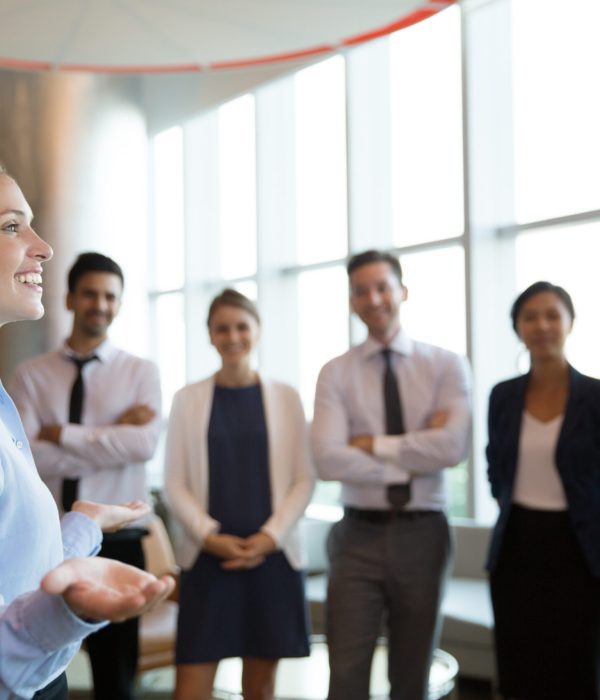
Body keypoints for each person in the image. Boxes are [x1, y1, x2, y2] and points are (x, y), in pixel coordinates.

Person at [0, 164, 174, 700]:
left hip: (107, 540)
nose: (42, 246)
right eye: (11, 226)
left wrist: (80, 517)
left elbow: (144, 443)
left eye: (111, 296)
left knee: (117, 681)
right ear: (73, 298)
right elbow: (43, 466)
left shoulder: (139, 370)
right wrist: (109, 431)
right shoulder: (30, 376)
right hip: (31, 663)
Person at [312, 249, 472, 700]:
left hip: (424, 534)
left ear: (402, 291)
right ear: (351, 301)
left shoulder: (445, 365)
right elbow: (327, 460)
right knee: (345, 673)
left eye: (382, 286)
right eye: (361, 290)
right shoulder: (335, 373)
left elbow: (452, 448)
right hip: (356, 535)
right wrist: (418, 448)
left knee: (412, 673)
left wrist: (372, 445)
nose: (373, 298)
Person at [164, 288, 314, 700]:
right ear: (210, 335)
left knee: (260, 690)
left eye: (242, 326)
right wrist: (210, 537)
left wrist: (270, 538)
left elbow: (304, 479)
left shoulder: (287, 397)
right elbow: (174, 482)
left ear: (258, 331)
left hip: (273, 560)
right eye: (222, 328)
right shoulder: (187, 399)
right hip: (208, 560)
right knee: (190, 688)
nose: (233, 336)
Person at [486, 281, 600, 700]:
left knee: (578, 664)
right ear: (517, 327)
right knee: (520, 664)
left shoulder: (596, 397)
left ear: (570, 322)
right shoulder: (502, 396)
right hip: (517, 544)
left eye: (552, 315)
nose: (542, 325)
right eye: (530, 316)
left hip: (582, 548)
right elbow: (495, 465)